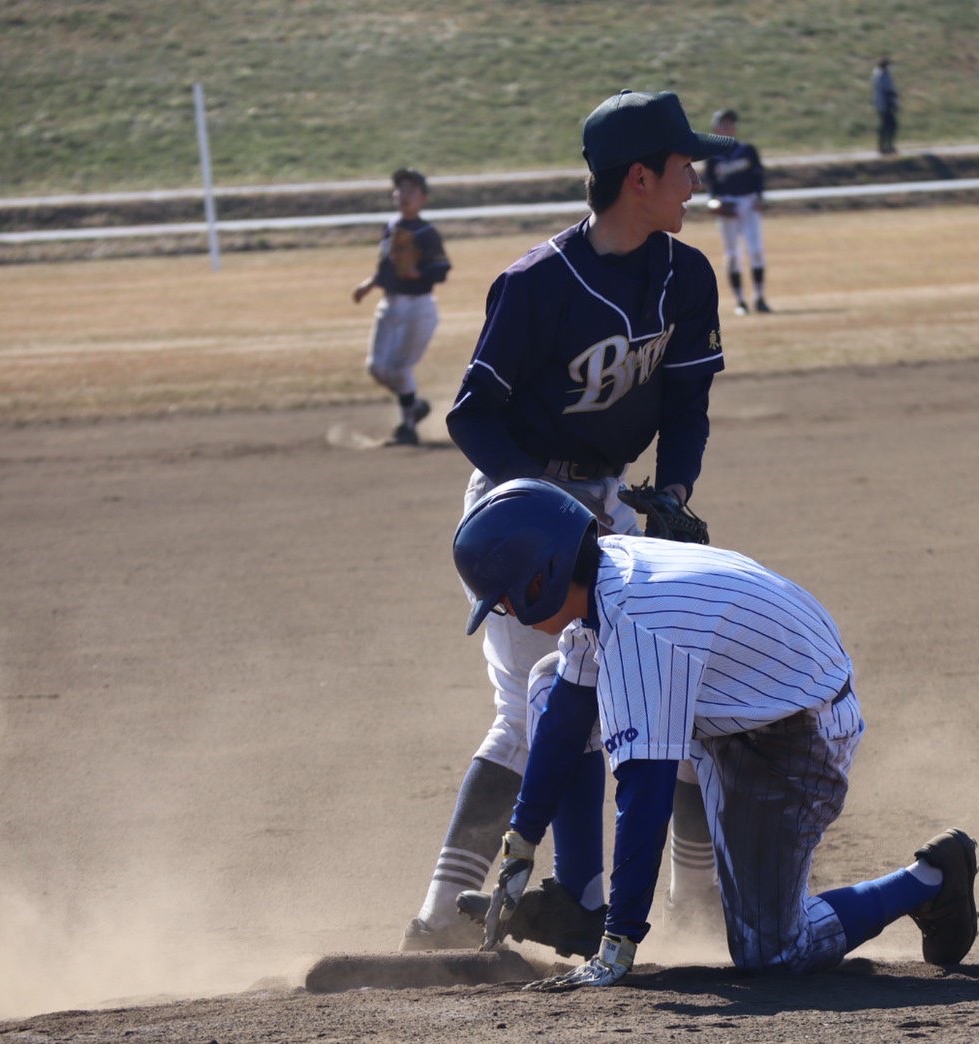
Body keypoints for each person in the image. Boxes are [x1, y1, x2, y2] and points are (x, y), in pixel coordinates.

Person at [399, 90, 734, 956]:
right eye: (682, 165)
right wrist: (542, 504)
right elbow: (471, 417)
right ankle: (443, 916)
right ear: (638, 178)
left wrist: (676, 491)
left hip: (620, 503)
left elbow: (689, 398)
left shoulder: (685, 275)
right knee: (535, 711)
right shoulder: (536, 284)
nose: (694, 180)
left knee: (677, 690)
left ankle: (695, 904)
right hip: (520, 511)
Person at [452, 479, 979, 988]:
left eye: (503, 599)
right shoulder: (607, 573)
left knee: (772, 953)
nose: (508, 612)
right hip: (744, 703)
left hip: (796, 735)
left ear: (538, 579)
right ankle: (580, 899)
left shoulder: (638, 624)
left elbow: (646, 795)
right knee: (550, 681)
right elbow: (566, 717)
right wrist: (520, 844)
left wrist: (621, 943)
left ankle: (931, 879)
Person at [352, 168, 451, 446]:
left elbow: (441, 270)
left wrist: (420, 273)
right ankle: (415, 405)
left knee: (399, 369)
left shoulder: (427, 233)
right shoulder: (392, 226)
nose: (404, 196)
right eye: (400, 190)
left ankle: (408, 427)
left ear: (423, 199)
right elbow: (387, 266)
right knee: (377, 368)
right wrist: (369, 284)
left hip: (419, 308)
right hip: (389, 304)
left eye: (411, 191)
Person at [701, 109, 771, 316]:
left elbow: (758, 177)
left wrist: (759, 197)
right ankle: (740, 300)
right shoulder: (713, 157)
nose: (728, 127)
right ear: (716, 128)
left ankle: (759, 297)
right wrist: (716, 205)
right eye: (723, 123)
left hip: (748, 201)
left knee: (756, 249)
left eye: (730, 123)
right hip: (728, 203)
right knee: (732, 255)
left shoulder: (747, 150)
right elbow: (711, 188)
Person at [871, 57, 900, 156]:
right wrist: (894, 103)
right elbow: (888, 91)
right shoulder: (882, 75)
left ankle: (884, 147)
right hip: (885, 105)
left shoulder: (878, 74)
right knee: (890, 126)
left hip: (881, 104)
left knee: (886, 126)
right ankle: (887, 147)